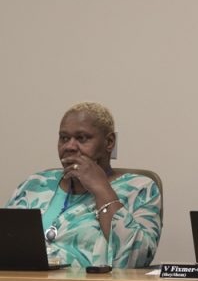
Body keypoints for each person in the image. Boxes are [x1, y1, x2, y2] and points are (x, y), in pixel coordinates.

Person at [6, 102, 162, 268]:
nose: (70, 146)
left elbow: (136, 259)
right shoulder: (35, 184)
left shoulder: (140, 189)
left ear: (109, 142)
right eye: (64, 138)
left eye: (82, 138)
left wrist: (101, 188)